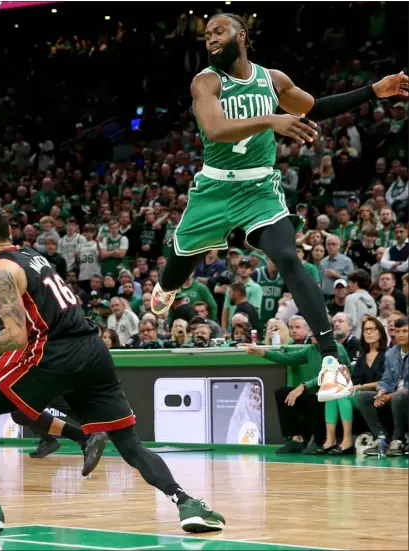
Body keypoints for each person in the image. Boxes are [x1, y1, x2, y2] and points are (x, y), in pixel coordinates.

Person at [0, 205, 224, 534]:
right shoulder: (33, 256)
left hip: (54, 352)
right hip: (93, 350)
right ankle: (187, 503)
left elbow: (17, 335)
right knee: (130, 445)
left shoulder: (0, 271)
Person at [150, 12, 407, 400]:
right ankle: (166, 288)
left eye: (219, 30)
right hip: (215, 190)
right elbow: (216, 130)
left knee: (289, 258)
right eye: (207, 34)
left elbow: (314, 107)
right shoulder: (205, 81)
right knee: (177, 269)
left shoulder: (272, 79)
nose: (211, 38)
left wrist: (374, 89)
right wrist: (271, 120)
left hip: (259, 188)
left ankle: (330, 360)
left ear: (243, 34)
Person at [0, 242, 102, 480]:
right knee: (19, 410)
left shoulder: (7, 270)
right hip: (0, 341)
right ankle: (82, 436)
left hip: (22, 339)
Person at [243, 335, 350, 455]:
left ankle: (319, 440)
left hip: (334, 390)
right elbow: (288, 358)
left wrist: (304, 386)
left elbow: (329, 373)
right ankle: (296, 439)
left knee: (316, 395)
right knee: (283, 393)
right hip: (314, 390)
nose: (310, 334)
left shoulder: (336, 348)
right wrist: (261, 351)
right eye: (310, 330)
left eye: (313, 330)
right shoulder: (312, 349)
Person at [321, 317, 387, 454]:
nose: (368, 333)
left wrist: (360, 387)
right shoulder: (362, 356)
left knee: (343, 397)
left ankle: (346, 440)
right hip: (361, 394)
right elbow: (354, 380)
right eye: (365, 330)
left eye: (371, 329)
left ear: (380, 333)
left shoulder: (387, 354)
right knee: (333, 395)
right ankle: (330, 440)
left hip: (381, 394)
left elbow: (385, 381)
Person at [358, 317, 409, 457]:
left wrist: (388, 397)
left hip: (404, 396)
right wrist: (381, 392)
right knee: (364, 397)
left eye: (405, 331)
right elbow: (386, 380)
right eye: (398, 331)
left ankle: (397, 439)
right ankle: (381, 439)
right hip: (393, 395)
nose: (401, 334)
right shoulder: (391, 353)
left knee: (400, 395)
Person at [344, 269, 377, 338]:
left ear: (355, 283)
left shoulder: (350, 298)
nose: (348, 285)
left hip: (355, 339)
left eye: (349, 282)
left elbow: (350, 323)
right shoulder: (372, 299)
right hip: (370, 338)